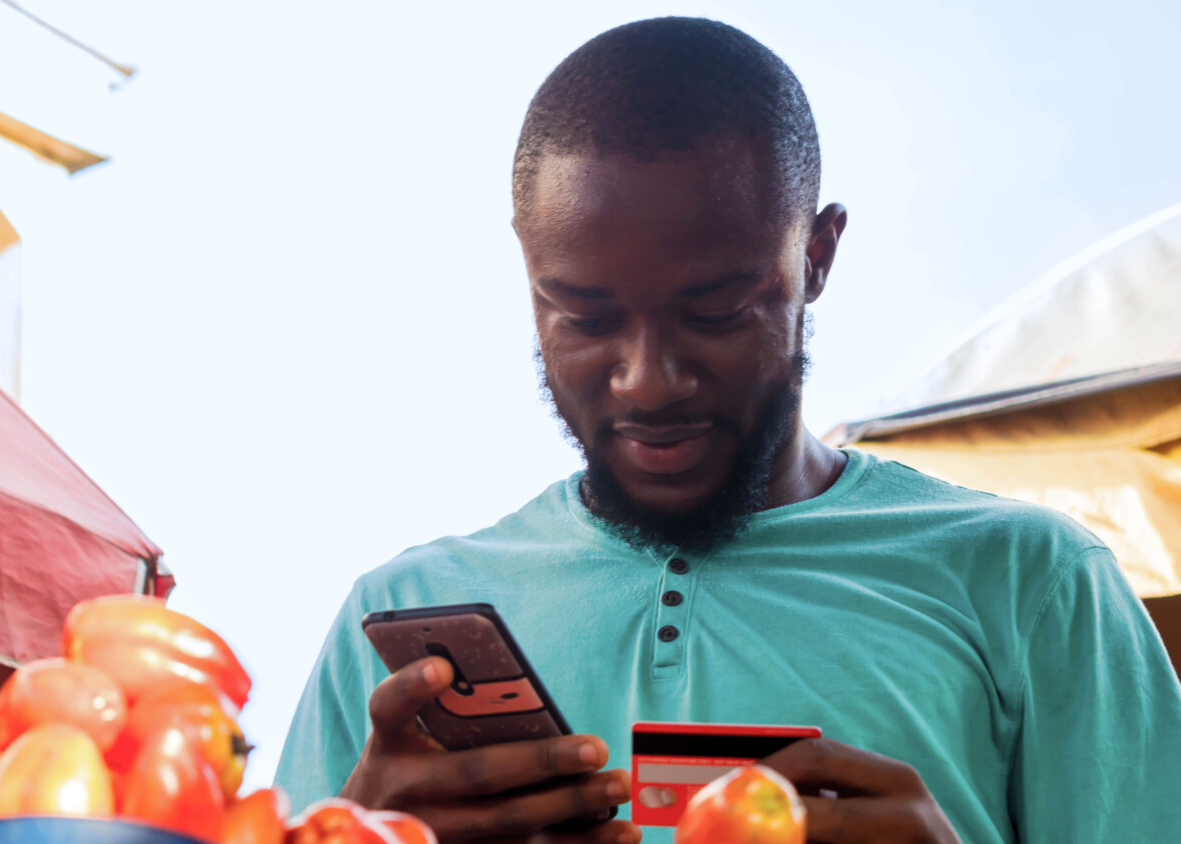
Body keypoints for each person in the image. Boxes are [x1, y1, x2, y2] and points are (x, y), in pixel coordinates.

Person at [273, 17, 1181, 844]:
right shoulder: (397, 623)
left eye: (713, 312)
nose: (648, 381)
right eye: (585, 318)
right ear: (528, 267)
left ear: (816, 255)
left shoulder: (1032, 585)